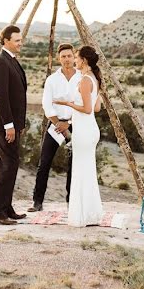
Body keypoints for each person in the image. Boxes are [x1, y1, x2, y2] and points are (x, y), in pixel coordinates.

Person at [54, 45, 104, 227]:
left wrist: (68, 103)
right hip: (90, 128)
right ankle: (90, 213)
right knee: (87, 171)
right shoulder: (94, 78)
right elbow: (97, 108)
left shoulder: (85, 80)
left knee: (81, 171)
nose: (74, 60)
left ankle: (82, 215)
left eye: (76, 57)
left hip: (84, 131)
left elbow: (88, 108)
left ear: (84, 60)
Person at [29, 43, 81, 212]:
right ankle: (37, 202)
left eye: (69, 56)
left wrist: (69, 123)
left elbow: (83, 104)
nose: (67, 59)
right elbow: (46, 104)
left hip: (75, 124)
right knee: (44, 162)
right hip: (55, 125)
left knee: (74, 165)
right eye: (63, 56)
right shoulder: (52, 79)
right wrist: (59, 123)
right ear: (59, 59)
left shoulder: (81, 78)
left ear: (74, 57)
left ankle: (70, 201)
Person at [0, 25, 28, 225]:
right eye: (17, 40)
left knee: (11, 165)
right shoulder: (1, 62)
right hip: (3, 124)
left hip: (12, 124)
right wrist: (9, 125)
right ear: (6, 41)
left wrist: (19, 123)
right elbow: (1, 97)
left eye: (21, 40)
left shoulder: (11, 60)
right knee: (7, 166)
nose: (21, 43)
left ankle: (6, 207)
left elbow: (18, 95)